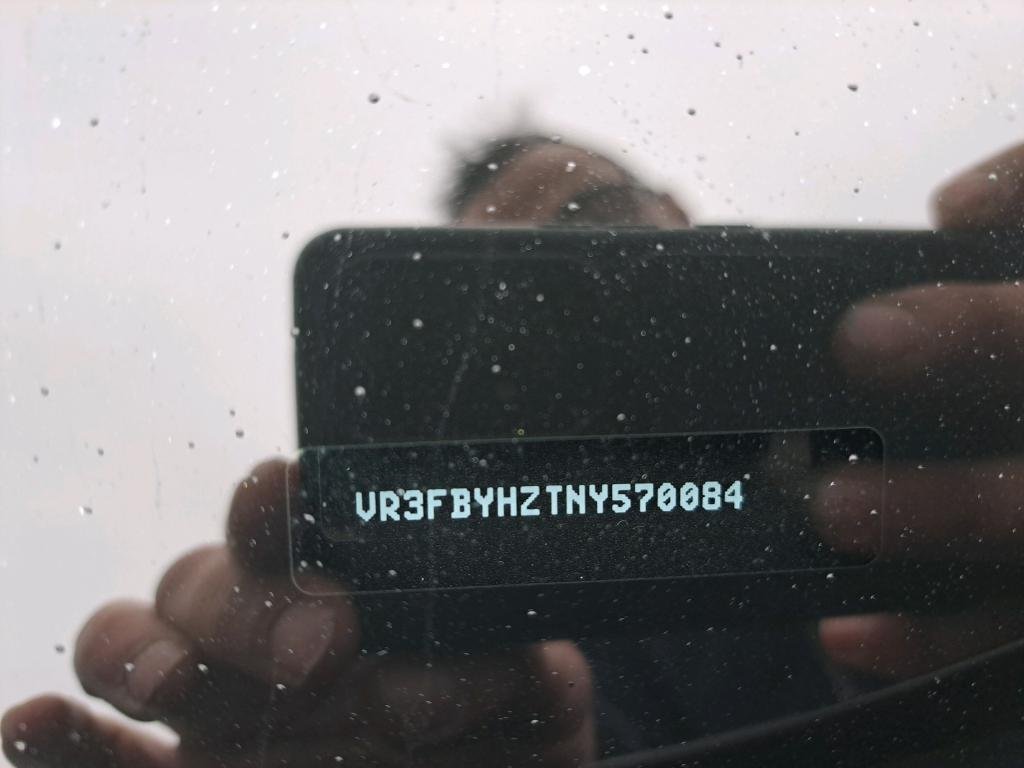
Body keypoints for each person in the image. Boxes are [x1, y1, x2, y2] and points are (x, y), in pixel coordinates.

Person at [3, 134, 1022, 767]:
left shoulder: (958, 381)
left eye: (593, 221)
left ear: (679, 214)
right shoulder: (522, 622)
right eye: (505, 301)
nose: (580, 291)